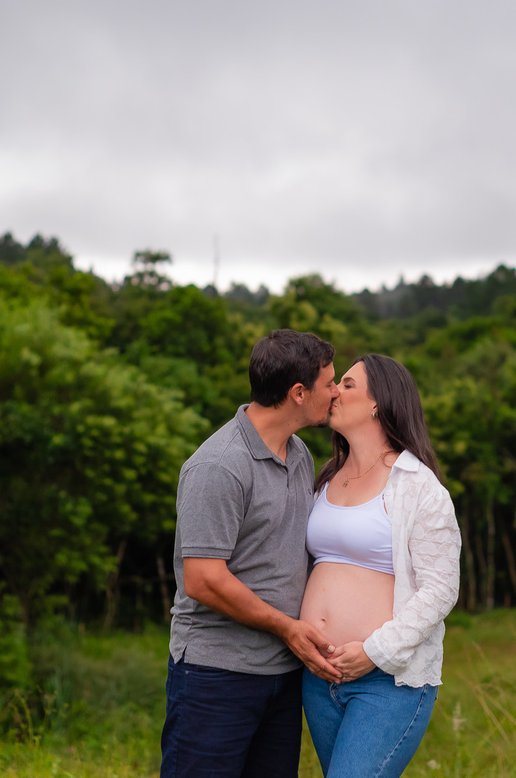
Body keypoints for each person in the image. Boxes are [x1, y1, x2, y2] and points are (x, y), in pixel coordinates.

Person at [160, 329, 344, 778]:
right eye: (330, 383)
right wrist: (288, 628)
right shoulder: (218, 465)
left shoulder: (299, 454)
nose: (337, 393)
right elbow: (202, 579)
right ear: (299, 393)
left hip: (282, 677)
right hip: (215, 675)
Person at [299, 354, 461, 778]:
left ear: (378, 403)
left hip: (386, 681)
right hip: (319, 679)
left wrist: (374, 652)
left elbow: (441, 588)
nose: (334, 391)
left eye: (347, 384)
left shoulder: (418, 486)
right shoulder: (326, 477)